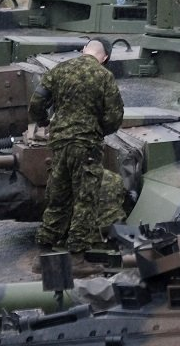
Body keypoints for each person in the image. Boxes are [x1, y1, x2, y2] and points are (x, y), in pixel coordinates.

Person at [28, 38, 125, 277]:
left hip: (59, 144)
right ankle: (77, 258)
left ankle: (42, 255)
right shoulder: (104, 76)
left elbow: (37, 101)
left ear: (84, 51)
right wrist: (97, 130)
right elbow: (115, 117)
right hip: (86, 146)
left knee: (59, 197)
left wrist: (44, 122)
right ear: (105, 58)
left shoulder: (59, 69)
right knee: (85, 199)